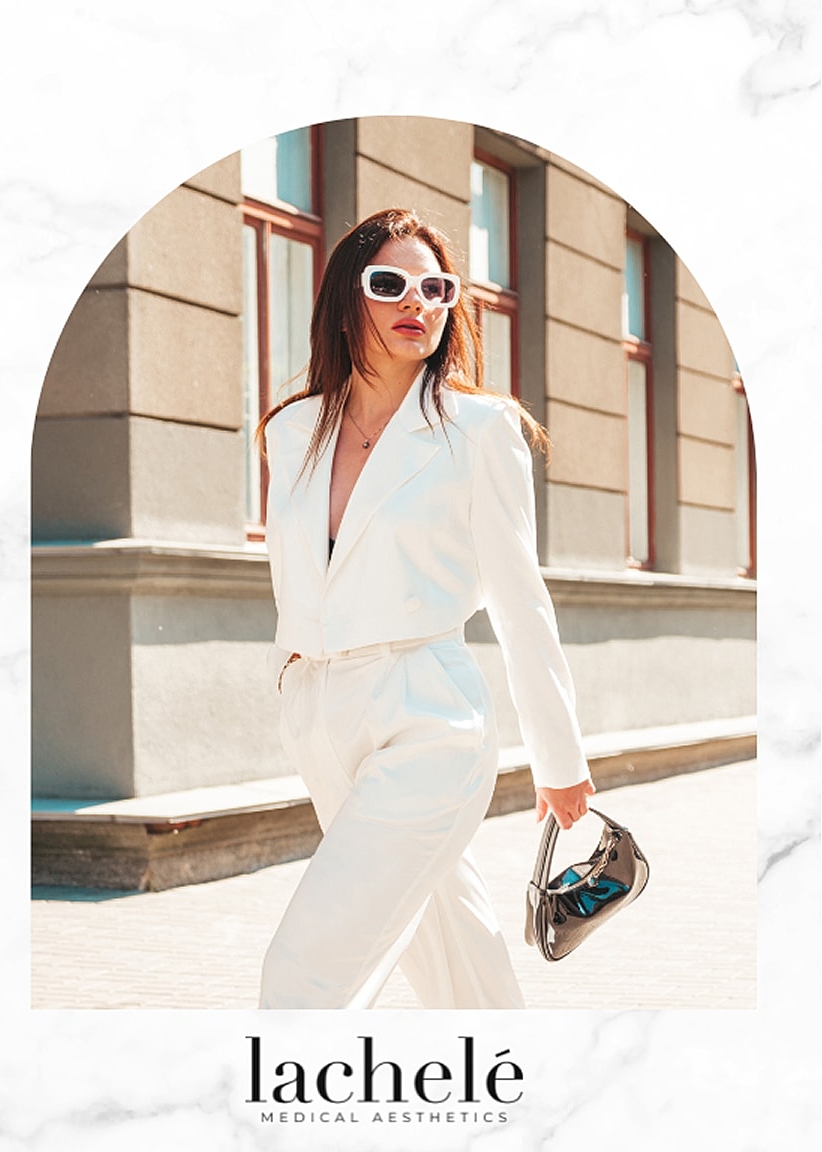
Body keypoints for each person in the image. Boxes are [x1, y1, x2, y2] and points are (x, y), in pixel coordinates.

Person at [257, 208, 594, 1009]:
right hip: (321, 714)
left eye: (436, 288)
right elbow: (300, 572)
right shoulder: (292, 429)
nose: (417, 302)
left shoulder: (479, 429)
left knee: (307, 970)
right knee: (455, 959)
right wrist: (291, 674)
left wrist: (559, 758)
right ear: (347, 300)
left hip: (427, 715)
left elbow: (519, 596)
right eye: (389, 284)